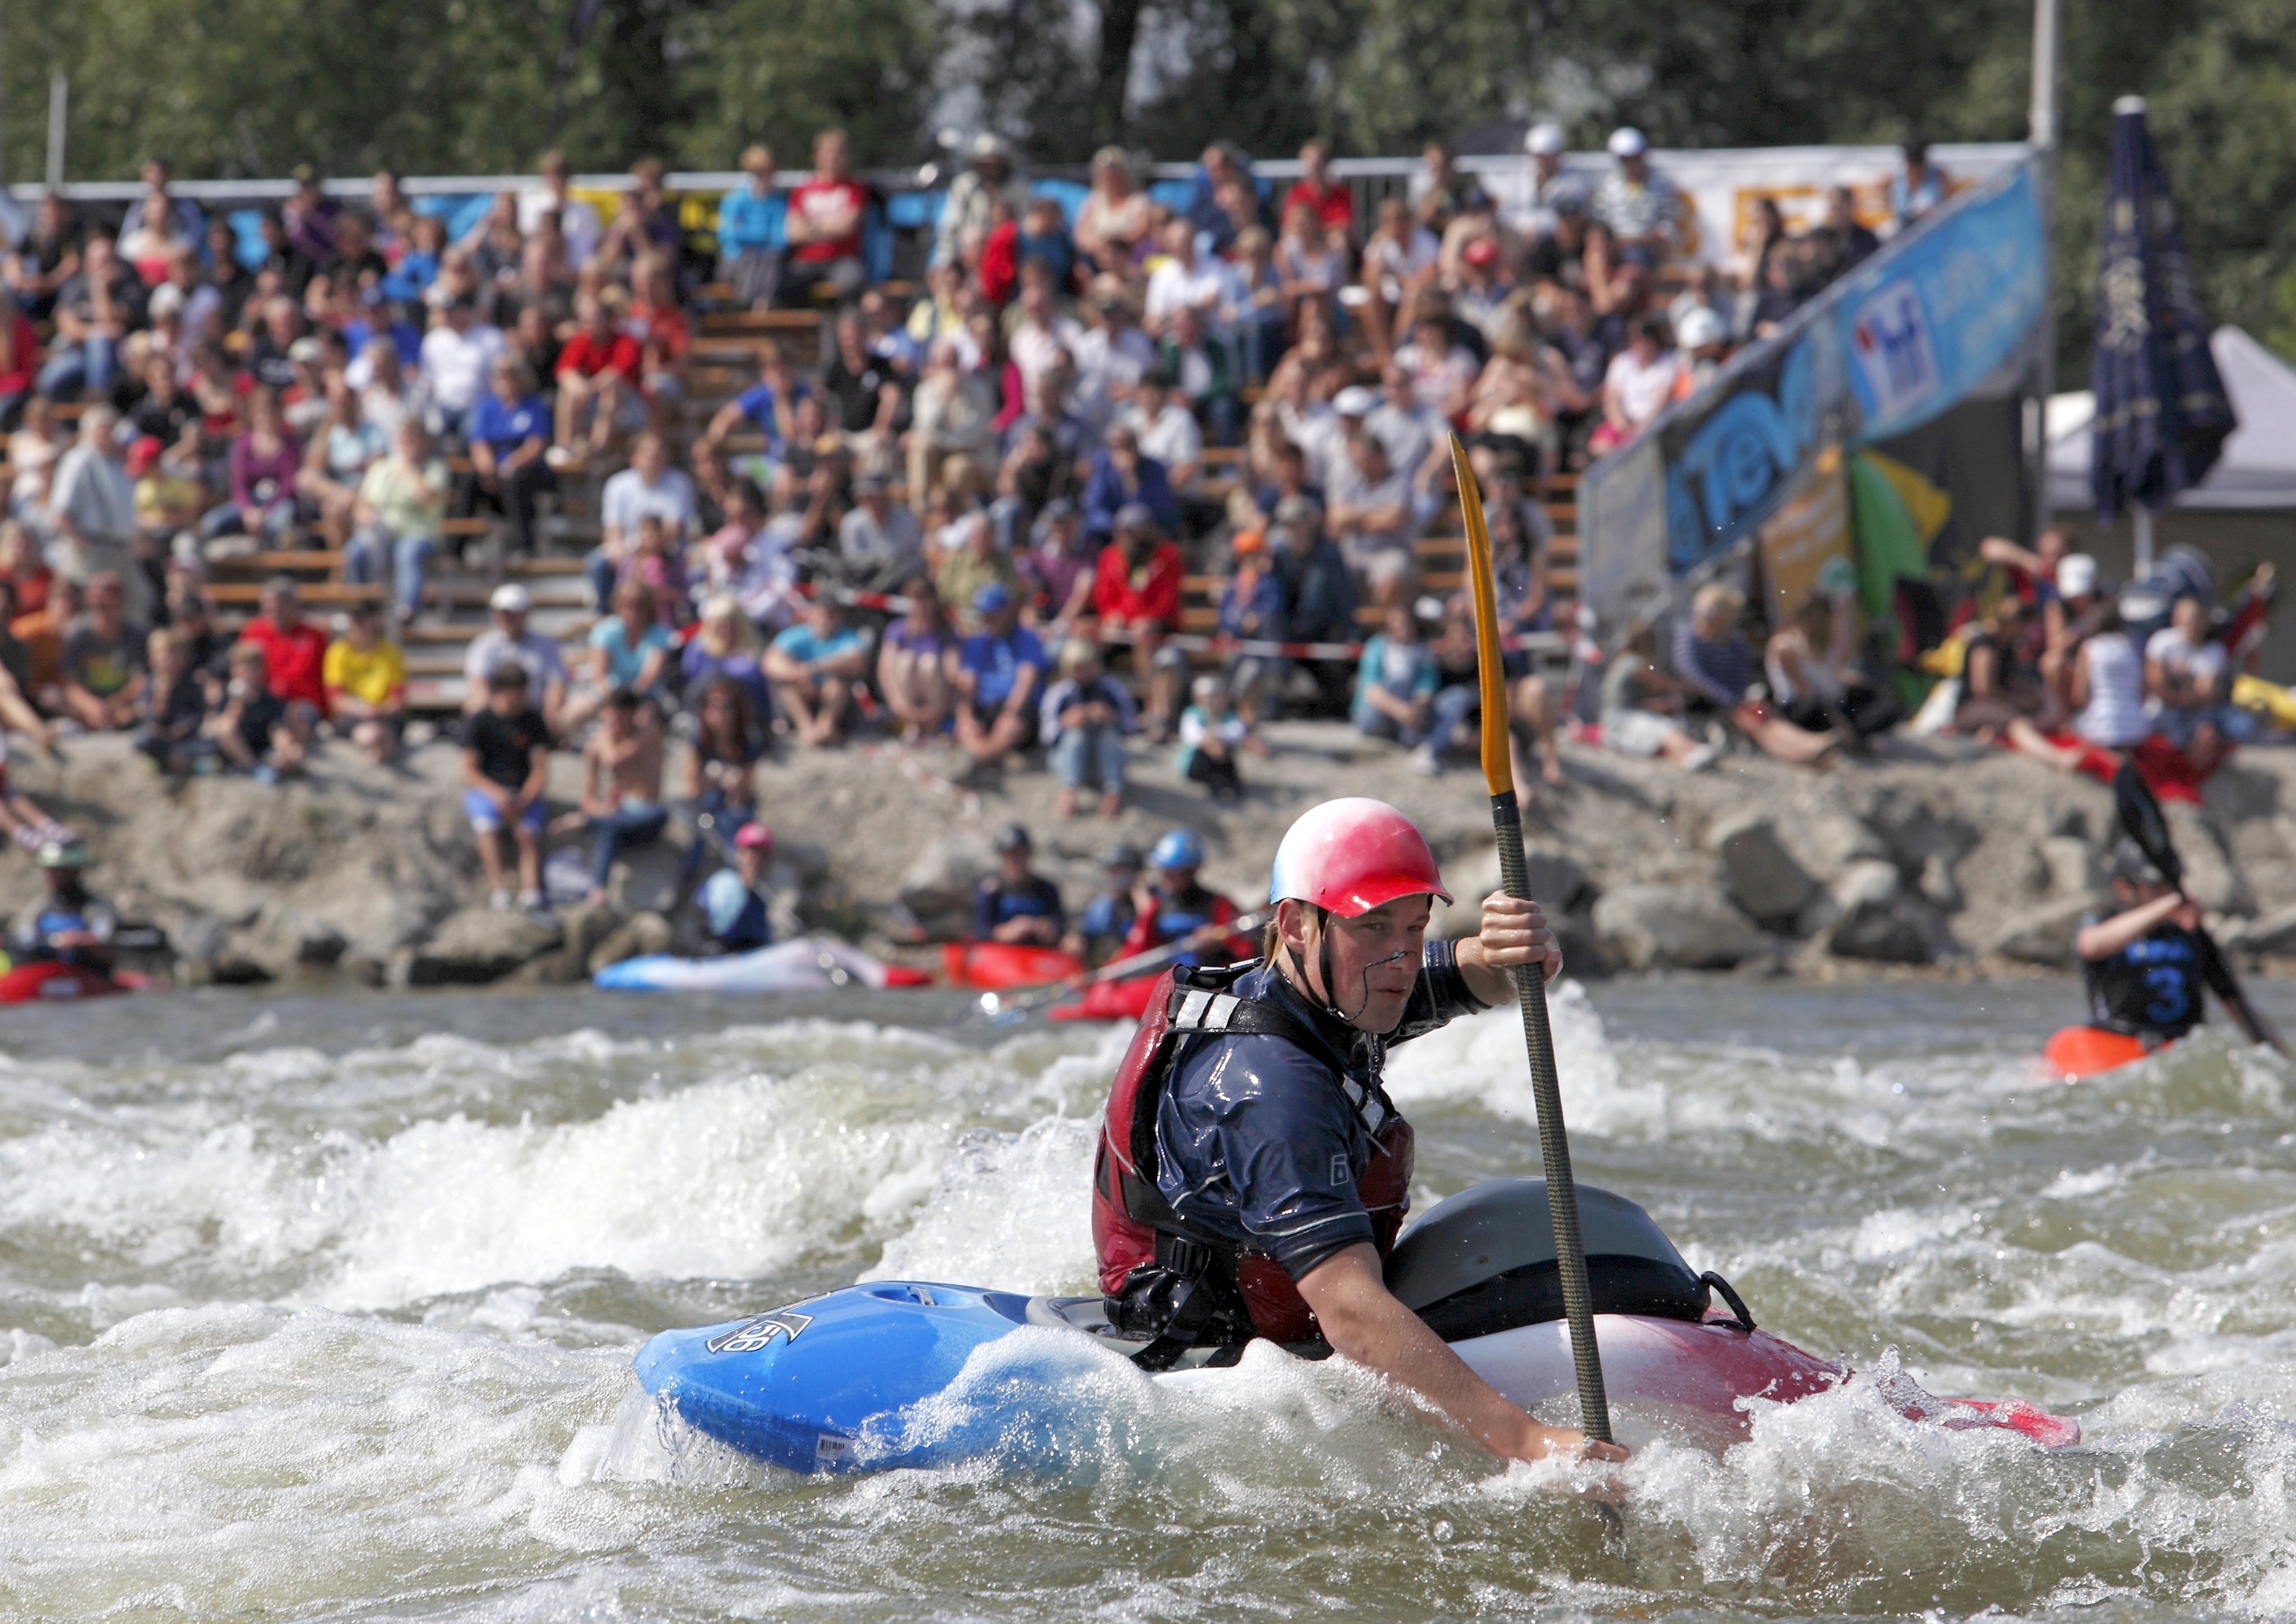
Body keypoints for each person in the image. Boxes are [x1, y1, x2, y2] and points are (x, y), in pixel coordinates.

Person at [1089, 797, 1628, 1482]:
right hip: (1208, 1360)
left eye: (1415, 924)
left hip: (1279, 1309)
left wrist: (1513, 955)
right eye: (1374, 926)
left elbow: (1470, 974)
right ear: (1296, 926)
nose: (1402, 956)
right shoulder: (1269, 1089)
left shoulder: (1330, 993)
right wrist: (1525, 1442)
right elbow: (1349, 1312)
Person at [2072, 838, 2270, 1052]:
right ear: (2124, 888)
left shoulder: (2193, 934)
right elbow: (2090, 946)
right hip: (2118, 1039)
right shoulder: (2102, 920)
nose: (2168, 892)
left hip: (2181, 1044)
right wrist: (2167, 906)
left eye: (2171, 883)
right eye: (2157, 886)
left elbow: (2234, 1001)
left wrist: (2275, 1055)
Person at [557, 689, 667, 908]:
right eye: (614, 715)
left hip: (647, 814)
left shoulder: (648, 734)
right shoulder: (597, 746)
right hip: (618, 818)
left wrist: (603, 737)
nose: (617, 722)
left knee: (659, 813)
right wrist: (598, 810)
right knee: (610, 828)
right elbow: (587, 800)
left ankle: (588, 824)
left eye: (623, 716)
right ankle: (599, 891)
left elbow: (614, 761)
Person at [461, 662, 552, 913]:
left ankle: (531, 891)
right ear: (501, 691)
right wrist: (496, 795)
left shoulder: (533, 719)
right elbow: (469, 772)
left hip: (524, 793)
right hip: (487, 791)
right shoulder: (479, 721)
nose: (524, 697)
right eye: (519, 691)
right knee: (487, 828)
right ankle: (500, 890)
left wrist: (526, 796)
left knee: (528, 832)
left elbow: (540, 768)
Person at [1091, 504, 1186, 739]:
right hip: (1123, 626)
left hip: (1159, 625)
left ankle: (1153, 708)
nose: (1133, 537)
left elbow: (1167, 600)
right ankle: (1095, 706)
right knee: (1090, 644)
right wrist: (1113, 616)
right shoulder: (1110, 556)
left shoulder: (1167, 556)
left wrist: (1144, 619)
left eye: (1138, 530)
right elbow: (1104, 597)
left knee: (1144, 638)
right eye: (1128, 531)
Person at [345, 418, 448, 628]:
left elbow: (428, 498)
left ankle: (407, 610)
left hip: (418, 531)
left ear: (423, 442)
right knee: (354, 551)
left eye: (412, 439)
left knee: (407, 553)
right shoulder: (381, 468)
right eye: (402, 439)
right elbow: (361, 504)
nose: (406, 444)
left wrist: (410, 472)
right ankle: (361, 609)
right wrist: (367, 517)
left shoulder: (435, 467)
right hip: (379, 532)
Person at [1116, 828, 1251, 969]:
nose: (1165, 877)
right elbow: (1135, 951)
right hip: (1163, 979)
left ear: (1191, 871)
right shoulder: (1157, 905)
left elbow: (1245, 953)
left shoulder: (1219, 905)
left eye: (1172, 872)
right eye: (1164, 870)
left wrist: (1219, 944)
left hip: (1204, 980)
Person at [466, 356, 555, 558]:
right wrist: (488, 469)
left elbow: (536, 444)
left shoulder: (534, 406)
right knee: (470, 480)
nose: (506, 381)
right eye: (501, 377)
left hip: (526, 468)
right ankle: (456, 549)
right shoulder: (486, 407)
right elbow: (478, 442)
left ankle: (523, 545)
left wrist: (510, 464)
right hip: (494, 466)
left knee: (516, 481)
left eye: (511, 376)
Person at [954, 582, 1045, 771]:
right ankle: (984, 756)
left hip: (1019, 709)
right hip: (987, 707)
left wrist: (1010, 713)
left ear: (1007, 611)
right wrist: (965, 717)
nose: (987, 620)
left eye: (991, 615)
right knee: (966, 726)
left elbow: (1027, 680)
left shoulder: (1027, 639)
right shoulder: (977, 641)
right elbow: (967, 682)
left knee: (1010, 728)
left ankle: (982, 758)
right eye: (983, 615)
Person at [1038, 638, 1134, 818]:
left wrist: (1111, 717)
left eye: (1087, 666)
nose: (1083, 673)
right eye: (1077, 667)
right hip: (1067, 760)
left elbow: (1131, 726)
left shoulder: (1112, 689)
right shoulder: (1059, 693)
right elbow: (1046, 736)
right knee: (1076, 737)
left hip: (1104, 759)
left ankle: (1113, 793)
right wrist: (1065, 722)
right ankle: (1068, 792)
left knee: (1108, 735)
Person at [462, 583, 568, 734]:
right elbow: (480, 685)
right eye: (503, 613)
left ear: (525, 613)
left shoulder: (547, 644)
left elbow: (556, 683)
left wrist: (551, 713)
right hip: (499, 709)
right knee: (475, 705)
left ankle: (548, 740)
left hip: (537, 709)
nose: (507, 618)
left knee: (571, 711)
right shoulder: (483, 645)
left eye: (513, 613)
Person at [782, 129, 869, 307]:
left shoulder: (855, 188)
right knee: (785, 285)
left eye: (838, 153)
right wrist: (831, 227)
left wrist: (812, 226)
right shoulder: (802, 190)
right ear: (817, 156)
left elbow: (848, 227)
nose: (833, 158)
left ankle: (846, 331)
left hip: (843, 259)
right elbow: (794, 233)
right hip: (807, 261)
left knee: (853, 283)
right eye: (828, 152)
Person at [765, 595, 868, 746]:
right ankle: (807, 729)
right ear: (812, 614)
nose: (825, 620)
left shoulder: (848, 637)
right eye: (821, 614)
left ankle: (825, 726)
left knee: (838, 683)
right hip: (803, 693)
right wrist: (797, 674)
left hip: (834, 701)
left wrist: (814, 668)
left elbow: (858, 661)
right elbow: (770, 662)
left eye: (830, 615)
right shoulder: (795, 635)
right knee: (787, 686)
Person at [7, 839, 118, 971]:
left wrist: (80, 940)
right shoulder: (39, 907)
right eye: (49, 870)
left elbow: (108, 944)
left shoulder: (98, 908)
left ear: (74, 871)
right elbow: (24, 937)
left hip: (86, 977)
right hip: (46, 976)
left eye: (58, 870)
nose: (51, 875)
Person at [59, 570, 149, 732]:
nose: (104, 611)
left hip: (123, 704)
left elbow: (140, 680)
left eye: (109, 605)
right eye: (99, 605)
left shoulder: (136, 635)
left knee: (143, 706)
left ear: (121, 604)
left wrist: (114, 704)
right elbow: (71, 685)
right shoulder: (76, 635)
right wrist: (93, 707)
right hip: (86, 705)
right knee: (54, 699)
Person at [322, 601, 408, 764]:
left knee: (379, 735)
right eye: (352, 620)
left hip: (384, 716)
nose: (355, 625)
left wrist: (378, 710)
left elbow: (398, 700)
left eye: (360, 619)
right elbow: (336, 700)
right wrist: (364, 710)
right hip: (351, 716)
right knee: (371, 736)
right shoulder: (337, 652)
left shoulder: (392, 652)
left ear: (375, 621)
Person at [210, 640, 309, 779]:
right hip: (235, 751)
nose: (248, 672)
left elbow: (276, 728)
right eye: (243, 667)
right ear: (234, 670)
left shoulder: (268, 697)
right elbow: (226, 726)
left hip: (262, 748)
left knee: (295, 753)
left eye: (252, 667)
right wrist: (238, 702)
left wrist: (286, 749)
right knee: (225, 728)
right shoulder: (228, 695)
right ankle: (253, 768)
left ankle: (271, 766)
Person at [237, 577, 330, 723]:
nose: (273, 611)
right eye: (268, 607)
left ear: (294, 605)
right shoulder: (254, 632)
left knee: (293, 717)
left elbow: (327, 677)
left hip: (302, 705)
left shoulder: (315, 636)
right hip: (263, 701)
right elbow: (241, 668)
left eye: (279, 607)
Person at [1352, 605, 1440, 749]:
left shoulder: (1422, 649)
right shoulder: (1377, 646)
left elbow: (1427, 684)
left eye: (1406, 623)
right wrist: (1400, 711)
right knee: (1399, 680)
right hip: (1375, 712)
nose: (1402, 628)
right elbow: (1370, 689)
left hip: (1408, 712)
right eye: (1397, 623)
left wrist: (1416, 708)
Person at [134, 625, 215, 777]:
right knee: (143, 740)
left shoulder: (192, 685)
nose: (170, 660)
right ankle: (173, 760)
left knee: (209, 746)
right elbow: (148, 716)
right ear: (153, 659)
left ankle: (175, 759)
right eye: (165, 655)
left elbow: (196, 716)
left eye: (175, 655)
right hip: (159, 738)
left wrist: (180, 729)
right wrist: (162, 695)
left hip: (183, 738)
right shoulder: (150, 685)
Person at [971, 823, 1065, 946]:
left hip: (1037, 955)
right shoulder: (989, 889)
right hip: (1000, 955)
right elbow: (979, 929)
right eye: (1010, 855)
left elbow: (1060, 926)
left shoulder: (1047, 889)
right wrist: (1004, 932)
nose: (1015, 860)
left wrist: (1045, 928)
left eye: (1020, 854)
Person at [716, 145, 784, 310]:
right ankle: (751, 305)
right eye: (759, 171)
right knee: (754, 259)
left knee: (768, 259)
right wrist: (762, 235)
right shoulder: (734, 199)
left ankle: (755, 307)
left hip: (766, 263)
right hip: (737, 261)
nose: (765, 176)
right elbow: (727, 234)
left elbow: (780, 239)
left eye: (768, 170)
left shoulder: (777, 202)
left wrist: (746, 233)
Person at [1175, 672, 1258, 803]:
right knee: (1210, 749)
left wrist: (1214, 735)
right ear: (1198, 699)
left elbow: (1238, 733)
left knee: (1224, 749)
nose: (1211, 701)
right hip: (1195, 766)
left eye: (1216, 696)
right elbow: (1194, 736)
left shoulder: (1231, 716)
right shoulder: (1192, 714)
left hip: (1222, 761)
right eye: (1207, 697)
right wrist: (1214, 739)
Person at [699, 822, 777, 953]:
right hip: (716, 953)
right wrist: (745, 891)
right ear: (739, 853)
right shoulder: (721, 882)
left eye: (761, 854)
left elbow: (761, 936)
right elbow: (720, 928)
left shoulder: (765, 891)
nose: (755, 859)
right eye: (750, 851)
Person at [1061, 842, 1142, 966]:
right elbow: (1082, 936)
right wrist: (1075, 941)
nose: (1113, 879)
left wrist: (1142, 900)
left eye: (1118, 872)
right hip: (1110, 970)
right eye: (1110, 872)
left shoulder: (1150, 902)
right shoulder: (1101, 907)